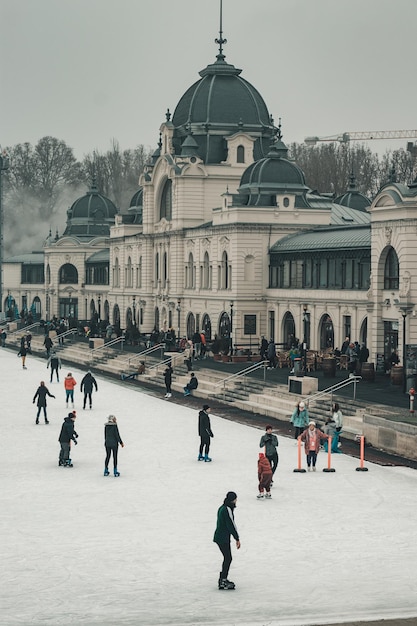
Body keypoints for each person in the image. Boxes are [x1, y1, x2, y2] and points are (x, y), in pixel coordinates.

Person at [213, 491, 241, 590]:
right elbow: (231, 524)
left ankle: (223, 579)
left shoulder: (222, 507)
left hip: (220, 537)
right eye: (236, 499)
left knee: (227, 557)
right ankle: (223, 580)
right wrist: (237, 538)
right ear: (233, 500)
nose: (236, 501)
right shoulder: (227, 509)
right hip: (222, 538)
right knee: (228, 558)